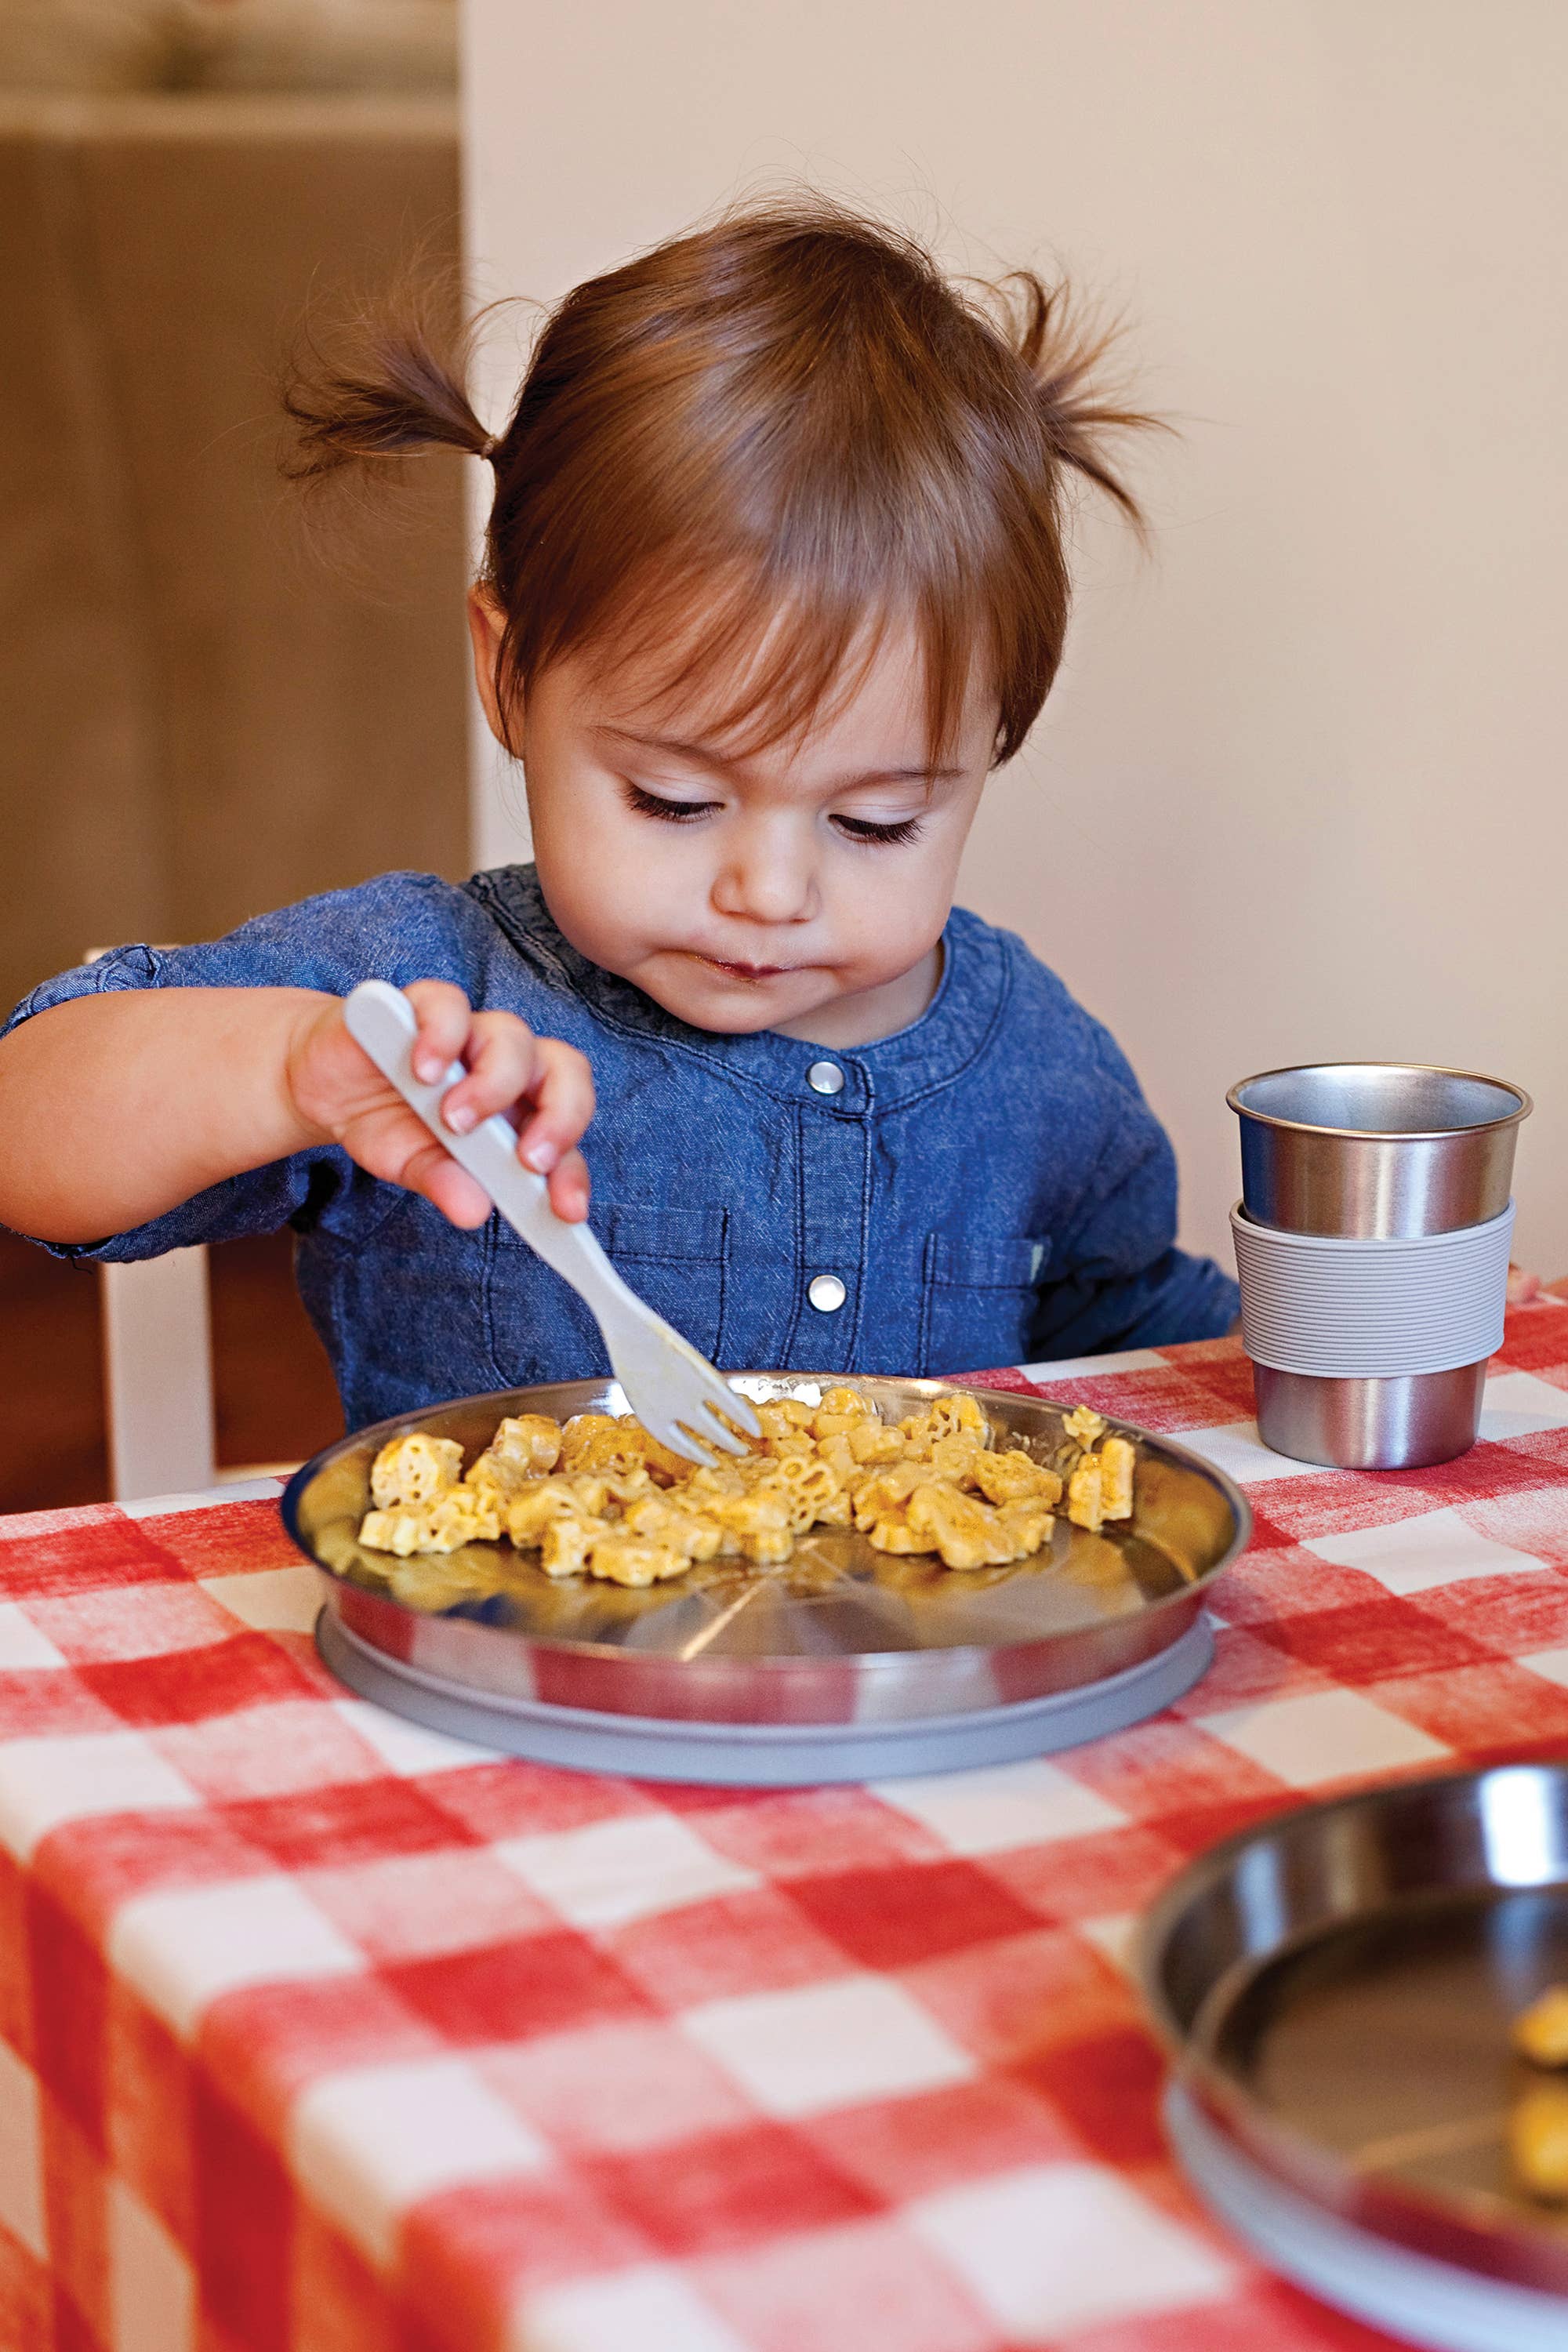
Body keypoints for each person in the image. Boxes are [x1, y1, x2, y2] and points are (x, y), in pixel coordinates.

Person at [0, 199, 1240, 1432]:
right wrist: (286, 1068)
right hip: (493, 1625)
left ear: (986, 751)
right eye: (675, 799)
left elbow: (1136, 1340)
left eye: (874, 822)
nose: (769, 890)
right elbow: (24, 1124)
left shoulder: (1038, 1067)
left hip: (911, 1636)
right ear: (511, 675)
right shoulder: (429, 1007)